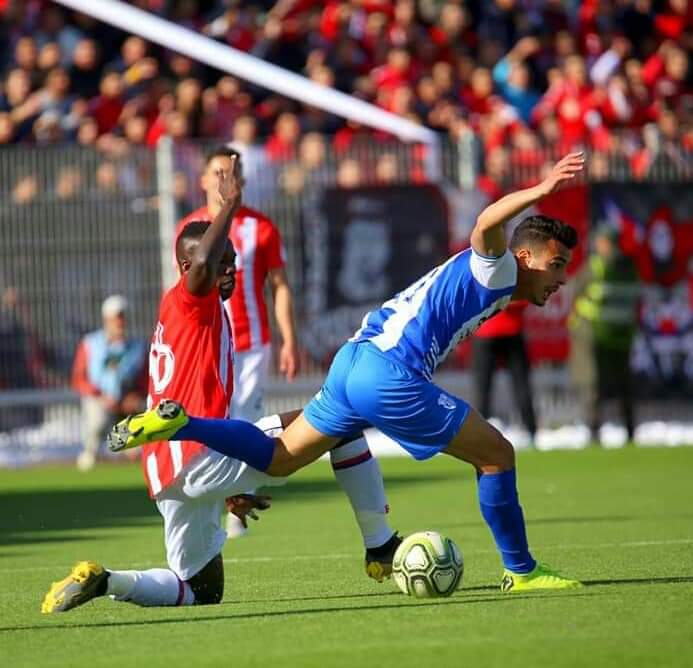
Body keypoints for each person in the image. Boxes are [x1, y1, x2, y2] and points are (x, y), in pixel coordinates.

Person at [111, 152, 587, 594]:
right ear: (524, 257)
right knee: (497, 455)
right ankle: (521, 571)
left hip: (352, 363)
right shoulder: (497, 268)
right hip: (390, 374)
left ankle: (185, 426)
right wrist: (542, 188)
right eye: (555, 264)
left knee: (279, 459)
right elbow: (486, 222)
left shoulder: (497, 279)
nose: (560, 276)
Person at [42, 156, 397, 614]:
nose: (230, 271)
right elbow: (205, 259)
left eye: (234, 263)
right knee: (342, 421)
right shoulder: (193, 299)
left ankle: (105, 580)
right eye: (222, 264)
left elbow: (207, 264)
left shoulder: (190, 311)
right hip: (195, 452)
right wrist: (228, 206)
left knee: (200, 591)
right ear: (188, 266)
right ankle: (381, 546)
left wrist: (225, 485)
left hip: (168, 471)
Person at [176, 146, 300, 538]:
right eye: (216, 172)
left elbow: (279, 285)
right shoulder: (190, 229)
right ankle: (211, 500)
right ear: (203, 180)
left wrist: (289, 339)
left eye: (231, 173)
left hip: (251, 342)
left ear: (242, 181)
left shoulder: (261, 228)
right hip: (205, 344)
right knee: (210, 415)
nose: (223, 180)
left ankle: (238, 507)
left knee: (245, 417)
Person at [568, 225, 641, 444]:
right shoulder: (630, 268)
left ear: (606, 243)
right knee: (623, 386)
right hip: (622, 334)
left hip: (594, 335)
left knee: (592, 385)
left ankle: (594, 432)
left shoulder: (596, 267)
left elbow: (574, 290)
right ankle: (629, 431)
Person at [71, 295, 147, 471]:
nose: (120, 321)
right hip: (100, 400)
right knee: (98, 419)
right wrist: (101, 396)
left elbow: (146, 380)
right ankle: (92, 451)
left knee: (142, 420)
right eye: (116, 317)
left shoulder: (138, 347)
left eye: (123, 317)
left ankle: (128, 450)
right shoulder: (90, 344)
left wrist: (135, 396)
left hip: (127, 404)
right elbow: (78, 378)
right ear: (107, 319)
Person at [470, 301, 538, 446]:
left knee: (483, 388)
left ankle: (478, 436)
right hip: (506, 328)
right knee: (519, 385)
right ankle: (531, 432)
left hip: (491, 329)